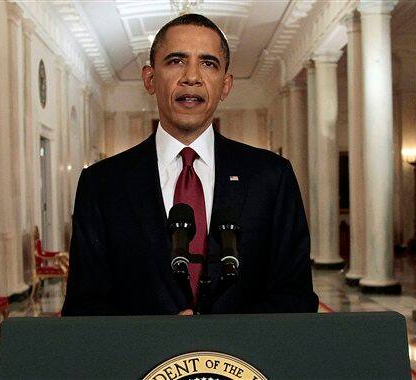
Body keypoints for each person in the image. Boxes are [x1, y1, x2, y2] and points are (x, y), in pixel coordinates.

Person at [61, 13, 318, 316]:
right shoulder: (102, 184)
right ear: (150, 79)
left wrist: (221, 340)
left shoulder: (272, 177)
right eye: (176, 61)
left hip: (244, 361)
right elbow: (84, 306)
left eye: (208, 63)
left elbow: (296, 296)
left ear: (225, 84)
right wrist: (158, 338)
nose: (191, 77)